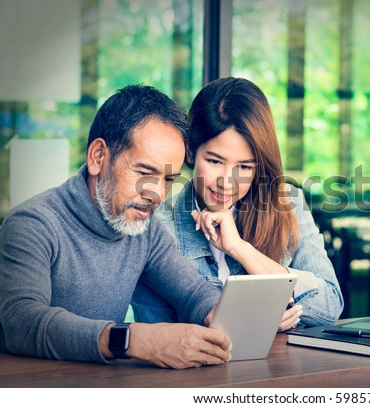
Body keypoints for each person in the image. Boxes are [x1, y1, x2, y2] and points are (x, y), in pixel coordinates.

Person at [0, 85, 231, 369]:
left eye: (169, 180)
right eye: (145, 173)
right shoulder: (33, 224)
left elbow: (194, 292)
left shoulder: (145, 230)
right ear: (98, 157)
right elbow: (22, 322)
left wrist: (220, 312)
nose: (156, 194)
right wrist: (134, 340)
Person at [131, 77, 344, 330]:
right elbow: (159, 334)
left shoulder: (288, 203)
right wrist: (253, 323)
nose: (227, 182)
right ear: (190, 152)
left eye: (244, 166)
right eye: (215, 161)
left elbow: (330, 306)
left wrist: (239, 249)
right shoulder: (156, 227)